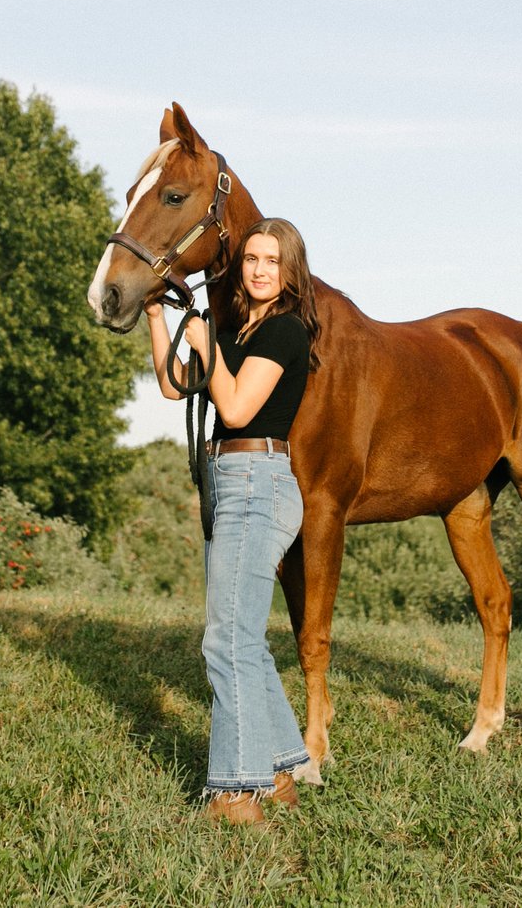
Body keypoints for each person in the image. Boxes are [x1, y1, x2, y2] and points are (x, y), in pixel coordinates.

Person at [145, 217, 317, 825]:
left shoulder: (287, 332)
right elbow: (174, 386)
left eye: (272, 259)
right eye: (251, 258)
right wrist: (156, 316)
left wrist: (208, 347)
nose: (259, 269)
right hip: (232, 482)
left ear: (290, 268)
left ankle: (235, 791)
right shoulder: (239, 327)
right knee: (242, 638)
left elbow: (239, 405)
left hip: (259, 482)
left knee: (226, 639)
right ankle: (277, 772)